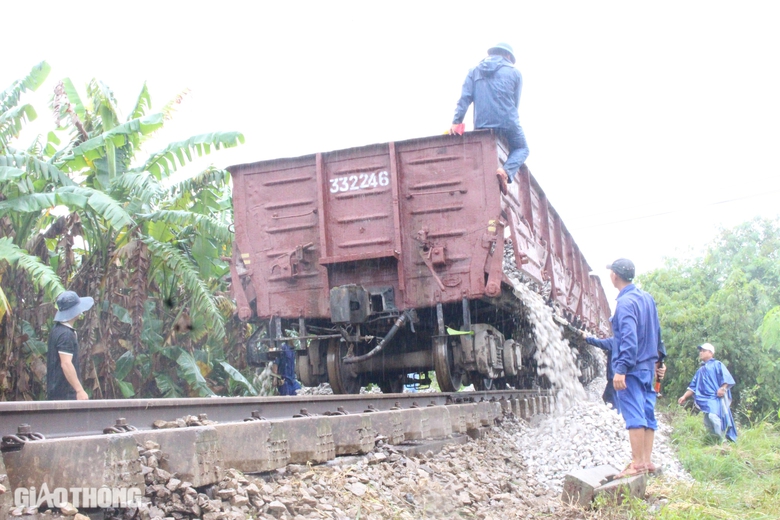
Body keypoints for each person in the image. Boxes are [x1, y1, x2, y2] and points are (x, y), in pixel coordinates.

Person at [602, 258, 663, 477]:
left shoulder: (625, 303)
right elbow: (657, 333)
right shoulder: (647, 298)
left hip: (632, 369)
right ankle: (646, 462)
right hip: (647, 368)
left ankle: (636, 464)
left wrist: (621, 369)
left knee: (634, 413)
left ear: (615, 276)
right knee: (647, 412)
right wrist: (660, 362)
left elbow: (628, 338)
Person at [449, 42, 529, 194]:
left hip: (482, 124)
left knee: (482, 153)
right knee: (522, 148)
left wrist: (456, 122)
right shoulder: (515, 73)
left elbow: (465, 99)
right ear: (508, 56)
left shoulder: (474, 71)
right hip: (508, 121)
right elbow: (515, 103)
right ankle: (505, 171)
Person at [678, 343, 737, 442]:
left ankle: (722, 440)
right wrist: (684, 396)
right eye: (700, 351)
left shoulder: (717, 364)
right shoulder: (700, 370)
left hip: (715, 398)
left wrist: (723, 388)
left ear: (710, 353)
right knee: (707, 421)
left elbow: (727, 378)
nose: (701, 353)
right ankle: (712, 442)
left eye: (703, 351)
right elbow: (693, 387)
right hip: (705, 400)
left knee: (713, 417)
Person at [46, 290, 94, 400]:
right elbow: (66, 364)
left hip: (56, 393)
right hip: (66, 395)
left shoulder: (57, 330)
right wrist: (79, 390)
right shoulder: (66, 335)